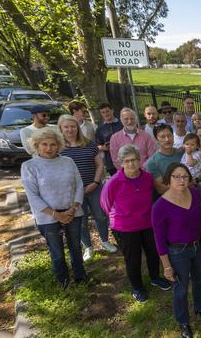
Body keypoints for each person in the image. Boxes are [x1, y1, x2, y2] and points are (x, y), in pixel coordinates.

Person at [100, 145, 172, 302]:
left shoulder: (147, 177)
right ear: (120, 162)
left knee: (153, 253)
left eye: (134, 160)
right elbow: (105, 204)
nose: (131, 164)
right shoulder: (114, 182)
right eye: (127, 161)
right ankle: (137, 287)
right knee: (133, 259)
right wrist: (121, 216)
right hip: (125, 227)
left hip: (147, 223)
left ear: (140, 160)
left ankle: (155, 277)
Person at [152, 164, 201, 338]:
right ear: (168, 179)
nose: (181, 180)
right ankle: (183, 321)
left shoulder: (194, 194)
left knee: (200, 280)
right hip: (178, 253)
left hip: (199, 246)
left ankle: (200, 308)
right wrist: (166, 266)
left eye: (185, 176)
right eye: (176, 176)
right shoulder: (160, 206)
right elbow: (159, 240)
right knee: (181, 289)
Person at [21, 127, 87, 288]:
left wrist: (72, 209)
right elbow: (33, 196)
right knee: (57, 252)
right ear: (36, 145)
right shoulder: (29, 166)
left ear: (59, 145)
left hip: (73, 213)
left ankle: (81, 277)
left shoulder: (68, 161)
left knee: (76, 248)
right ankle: (63, 281)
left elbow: (79, 185)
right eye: (44, 144)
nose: (49, 148)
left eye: (53, 144)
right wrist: (57, 215)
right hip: (48, 217)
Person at [58, 115, 117, 261]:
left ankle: (105, 241)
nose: (70, 129)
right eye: (66, 127)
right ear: (61, 129)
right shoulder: (59, 148)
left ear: (77, 128)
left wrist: (96, 182)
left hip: (94, 186)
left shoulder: (89, 144)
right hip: (72, 192)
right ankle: (88, 247)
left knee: (101, 216)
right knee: (81, 220)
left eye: (73, 126)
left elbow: (99, 165)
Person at [146, 123, 184, 195]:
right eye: (162, 137)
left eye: (169, 135)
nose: (167, 139)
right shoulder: (152, 162)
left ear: (173, 136)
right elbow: (161, 189)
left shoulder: (181, 153)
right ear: (156, 139)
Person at [95, 102, 123, 176]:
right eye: (103, 112)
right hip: (110, 162)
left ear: (112, 110)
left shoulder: (122, 124)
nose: (106, 114)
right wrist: (103, 148)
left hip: (125, 158)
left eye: (107, 111)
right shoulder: (100, 129)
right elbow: (97, 145)